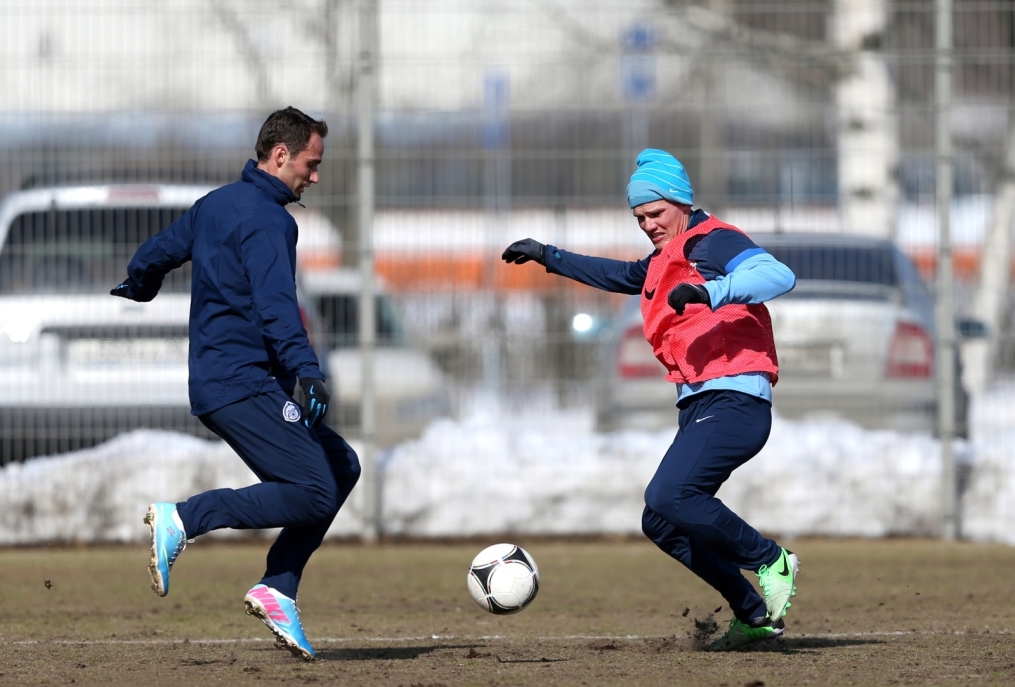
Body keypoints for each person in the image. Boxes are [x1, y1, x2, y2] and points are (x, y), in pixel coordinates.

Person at [502, 149, 798, 651]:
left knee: (669, 497)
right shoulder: (667, 259)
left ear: (681, 203)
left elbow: (778, 275)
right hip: (702, 403)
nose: (647, 224)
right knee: (661, 520)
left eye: (655, 213)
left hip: (736, 400)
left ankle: (770, 559)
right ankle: (754, 615)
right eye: (639, 217)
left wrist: (712, 292)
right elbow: (621, 276)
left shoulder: (713, 241)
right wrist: (548, 255)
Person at [111, 107, 360, 661]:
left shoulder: (215, 204)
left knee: (341, 466)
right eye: (310, 164)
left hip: (222, 382)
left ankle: (278, 587)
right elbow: (278, 306)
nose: (314, 177)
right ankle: (183, 519)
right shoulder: (272, 221)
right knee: (315, 489)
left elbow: (159, 250)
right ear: (280, 156)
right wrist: (309, 372)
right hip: (240, 384)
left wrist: (140, 282)